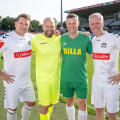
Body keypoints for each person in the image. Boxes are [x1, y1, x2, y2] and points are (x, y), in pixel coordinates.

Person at [0, 13, 36, 120]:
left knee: (31, 102)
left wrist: (56, 34)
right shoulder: (6, 38)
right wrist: (2, 75)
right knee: (12, 109)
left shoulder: (31, 37)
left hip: (26, 80)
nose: (23, 26)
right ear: (15, 24)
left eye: (26, 24)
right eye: (21, 23)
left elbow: (46, 40)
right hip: (11, 81)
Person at [60, 13, 92, 120]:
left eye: (74, 23)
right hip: (66, 78)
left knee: (82, 103)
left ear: (78, 23)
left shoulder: (86, 38)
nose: (72, 25)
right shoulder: (61, 39)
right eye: (69, 23)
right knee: (69, 101)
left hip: (81, 78)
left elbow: (95, 56)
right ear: (66, 24)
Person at [89, 13, 120, 120]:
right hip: (97, 82)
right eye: (92, 24)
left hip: (111, 83)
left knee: (111, 114)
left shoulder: (113, 38)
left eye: (97, 23)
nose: (95, 26)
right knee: (99, 110)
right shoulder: (92, 40)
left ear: (102, 23)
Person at [32, 17, 61, 120]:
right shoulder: (35, 40)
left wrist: (84, 34)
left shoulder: (59, 38)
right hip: (43, 79)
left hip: (55, 79)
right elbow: (24, 53)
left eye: (51, 26)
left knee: (51, 104)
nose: (49, 28)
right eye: (47, 26)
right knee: (45, 105)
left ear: (55, 27)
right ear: (43, 27)